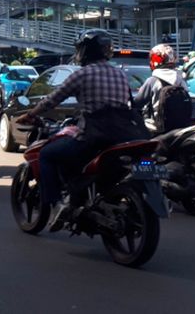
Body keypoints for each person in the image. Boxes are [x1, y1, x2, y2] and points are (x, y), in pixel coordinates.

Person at [18, 29, 145, 231]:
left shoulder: (82, 74)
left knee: (47, 155)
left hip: (93, 137)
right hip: (122, 137)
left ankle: (58, 204)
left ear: (86, 51)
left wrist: (31, 115)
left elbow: (53, 99)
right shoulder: (120, 74)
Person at [134, 44, 190, 134]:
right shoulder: (180, 78)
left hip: (158, 128)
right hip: (181, 127)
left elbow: (137, 103)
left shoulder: (152, 81)